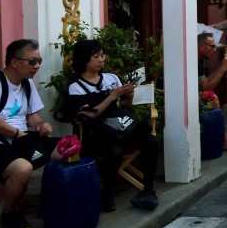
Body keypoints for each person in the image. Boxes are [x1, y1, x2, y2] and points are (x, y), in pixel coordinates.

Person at [66, 39, 159, 212]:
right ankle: (107, 194)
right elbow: (88, 116)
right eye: (96, 56)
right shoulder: (75, 87)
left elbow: (125, 108)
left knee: (151, 140)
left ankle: (148, 190)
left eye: (103, 55)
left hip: (120, 125)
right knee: (112, 147)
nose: (102, 59)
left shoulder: (111, 78)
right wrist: (112, 96)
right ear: (84, 59)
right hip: (96, 133)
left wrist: (129, 96)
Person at [0, 40, 59, 228]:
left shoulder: (26, 84)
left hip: (22, 138)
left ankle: (54, 203)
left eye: (39, 61)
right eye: (32, 61)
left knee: (67, 148)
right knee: (23, 168)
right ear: (14, 62)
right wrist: (18, 133)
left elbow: (32, 115)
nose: (36, 66)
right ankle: (10, 213)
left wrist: (41, 124)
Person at [197, 32, 227, 151]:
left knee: (212, 97)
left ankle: (222, 137)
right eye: (212, 46)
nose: (215, 50)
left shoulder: (201, 59)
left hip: (192, 94)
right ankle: (223, 138)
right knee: (212, 97)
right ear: (201, 46)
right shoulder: (195, 60)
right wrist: (223, 67)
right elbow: (207, 88)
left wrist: (221, 67)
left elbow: (206, 81)